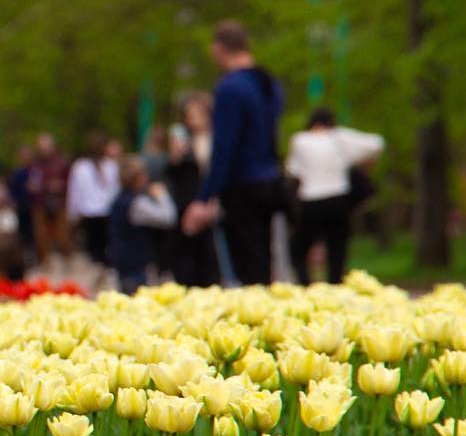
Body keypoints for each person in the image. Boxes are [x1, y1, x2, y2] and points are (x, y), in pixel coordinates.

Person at [181, 21, 285, 285]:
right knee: (264, 262)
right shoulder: (269, 84)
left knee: (246, 270)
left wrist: (205, 197)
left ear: (219, 48)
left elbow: (225, 146)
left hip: (243, 187)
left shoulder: (231, 88)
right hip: (270, 182)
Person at [286, 108, 385, 284]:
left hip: (311, 199)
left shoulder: (300, 139)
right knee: (337, 248)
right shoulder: (340, 137)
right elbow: (377, 143)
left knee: (299, 248)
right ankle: (335, 285)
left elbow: (293, 171)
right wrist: (367, 164)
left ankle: (305, 284)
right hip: (339, 199)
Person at [107, 155, 178, 293]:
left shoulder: (118, 199)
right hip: (136, 262)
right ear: (139, 178)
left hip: (122, 259)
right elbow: (169, 217)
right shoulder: (137, 203)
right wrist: (162, 195)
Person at [162, 122, 218, 287]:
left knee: (206, 255)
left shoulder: (206, 146)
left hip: (201, 203)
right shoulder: (178, 152)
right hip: (182, 206)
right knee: (184, 256)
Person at [65, 133, 121, 279]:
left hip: (89, 213)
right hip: (105, 212)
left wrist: (73, 213)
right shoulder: (110, 166)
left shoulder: (80, 167)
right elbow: (115, 191)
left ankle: (99, 270)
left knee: (94, 246)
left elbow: (74, 192)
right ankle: (102, 270)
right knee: (104, 244)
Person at [28, 134, 72, 264]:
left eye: (46, 145)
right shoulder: (35, 164)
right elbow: (32, 182)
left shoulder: (62, 162)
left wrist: (60, 185)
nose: (44, 148)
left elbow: (70, 182)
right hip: (40, 202)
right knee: (41, 234)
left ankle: (67, 258)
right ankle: (44, 261)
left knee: (63, 233)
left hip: (58, 202)